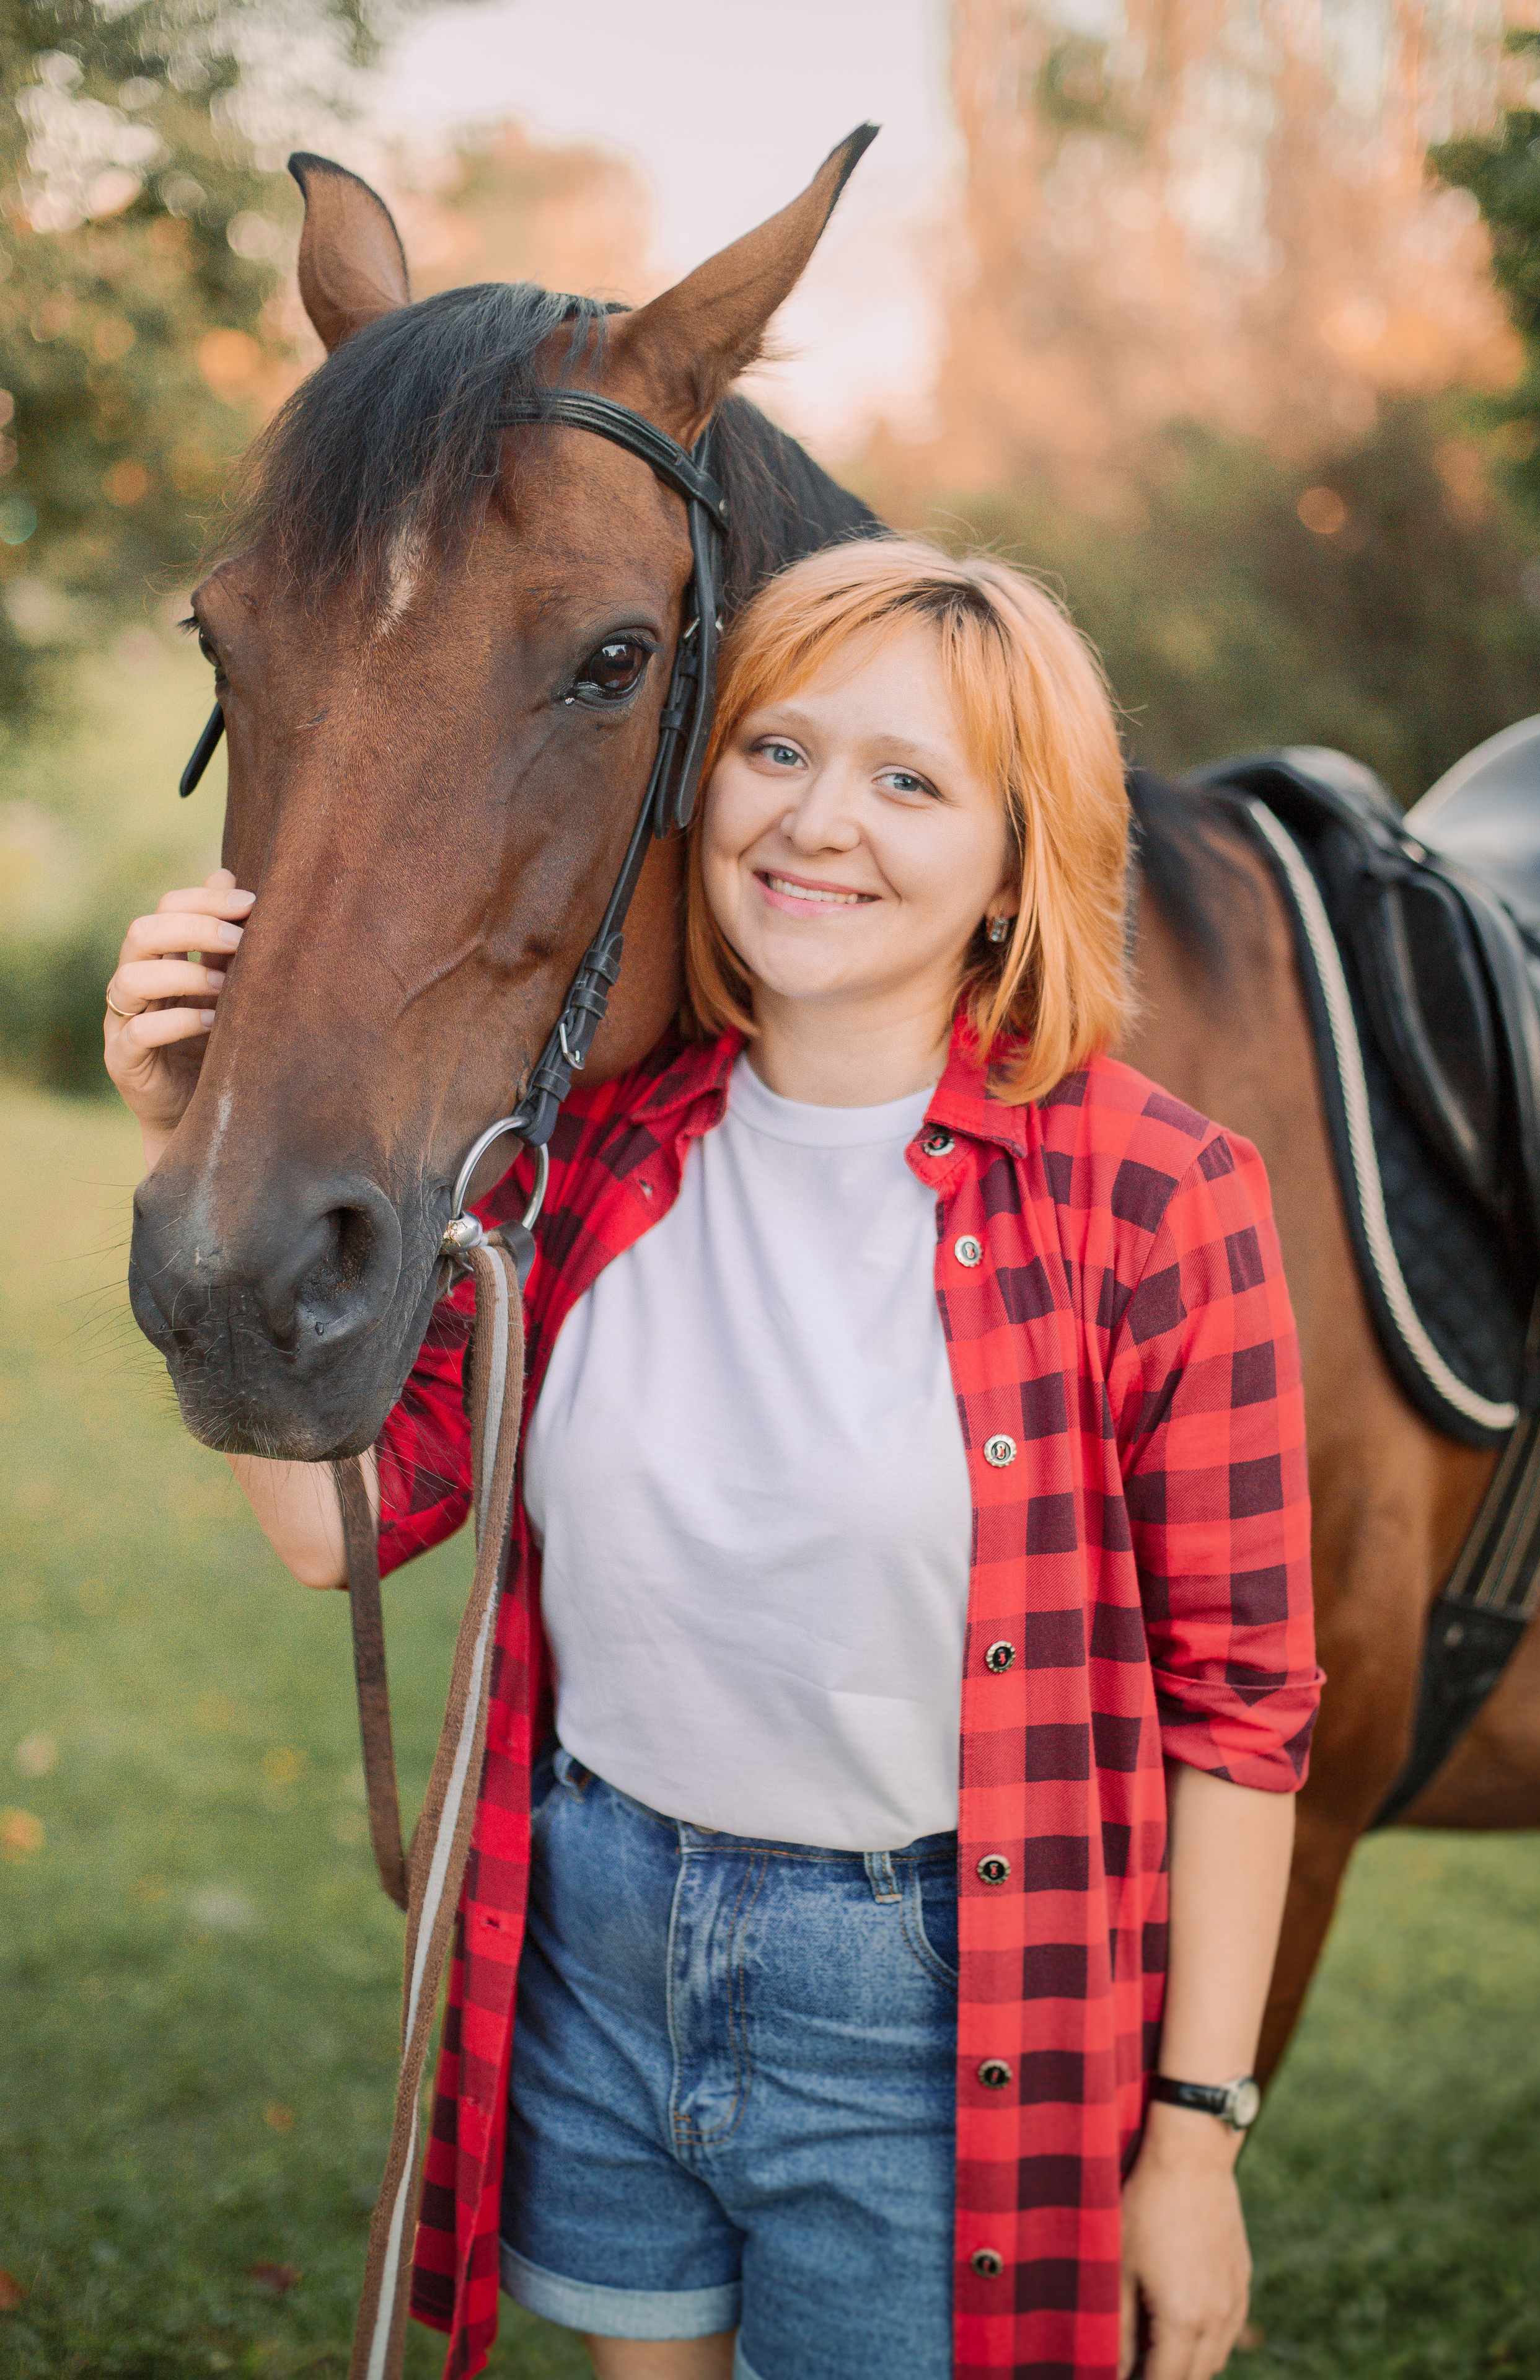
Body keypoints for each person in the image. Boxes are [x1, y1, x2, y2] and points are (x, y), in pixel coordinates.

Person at [106, 537, 1321, 2380]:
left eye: (911, 783)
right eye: (778, 751)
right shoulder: (586, 1160)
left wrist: (1197, 2135)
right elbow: (329, 1529)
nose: (819, 822)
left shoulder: (1156, 1201)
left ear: (1015, 863)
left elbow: (1241, 1712)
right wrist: (185, 1137)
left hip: (935, 2003)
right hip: (599, 1939)